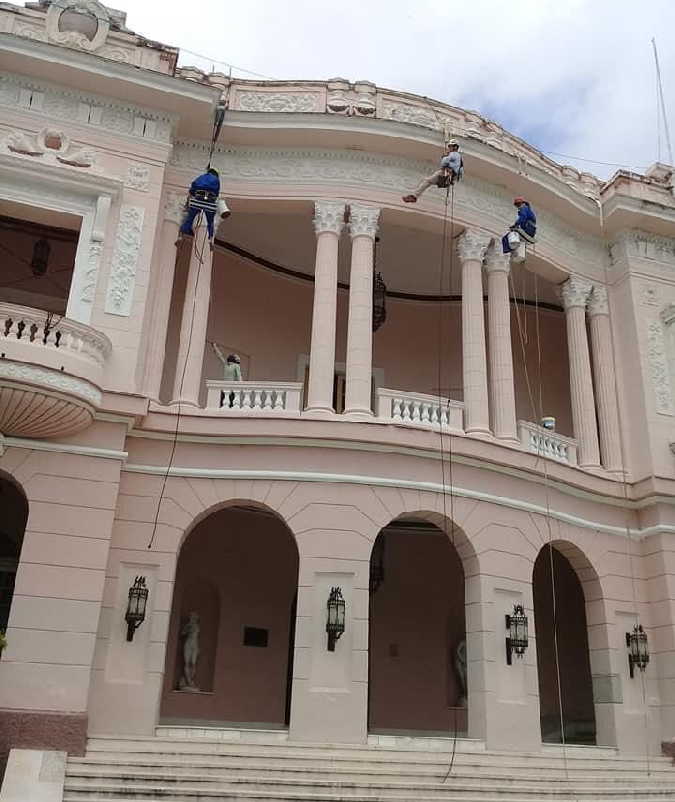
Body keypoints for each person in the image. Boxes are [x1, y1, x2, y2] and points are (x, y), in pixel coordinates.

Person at [178, 168, 226, 241]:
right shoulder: (216, 180)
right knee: (210, 221)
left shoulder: (201, 177)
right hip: (209, 203)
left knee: (190, 218)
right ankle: (210, 237)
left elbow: (194, 186)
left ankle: (181, 234)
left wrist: (192, 195)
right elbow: (216, 192)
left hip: (197, 201)